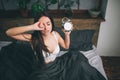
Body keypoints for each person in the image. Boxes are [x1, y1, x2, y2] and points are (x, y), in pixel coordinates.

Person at [6, 12, 106, 80]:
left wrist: (67, 35)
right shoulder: (33, 38)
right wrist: (32, 27)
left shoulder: (55, 34)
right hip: (43, 70)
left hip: (57, 65)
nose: (46, 27)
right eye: (42, 24)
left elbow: (66, 47)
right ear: (37, 25)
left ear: (51, 24)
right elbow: (9, 33)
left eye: (48, 24)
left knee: (79, 63)